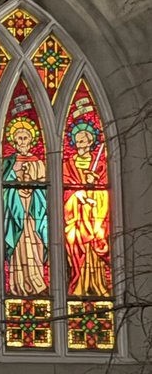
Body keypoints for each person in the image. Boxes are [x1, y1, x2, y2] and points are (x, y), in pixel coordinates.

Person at [63, 120, 110, 296]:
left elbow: (104, 194)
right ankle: (78, 284)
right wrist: (77, 194)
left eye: (82, 141)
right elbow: (65, 191)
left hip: (93, 218)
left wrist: (94, 186)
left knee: (94, 253)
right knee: (76, 249)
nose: (79, 145)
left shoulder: (100, 166)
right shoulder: (68, 165)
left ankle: (96, 285)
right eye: (77, 141)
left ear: (90, 142)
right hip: (76, 218)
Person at [2, 119, 48, 297]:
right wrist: (16, 180)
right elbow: (4, 188)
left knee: (35, 242)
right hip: (16, 209)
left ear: (30, 141)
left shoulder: (38, 162)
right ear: (14, 142)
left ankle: (37, 281)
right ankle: (18, 283)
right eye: (18, 138)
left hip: (33, 210)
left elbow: (43, 189)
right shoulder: (9, 163)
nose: (21, 142)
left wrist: (31, 186)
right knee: (19, 244)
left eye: (24, 138)